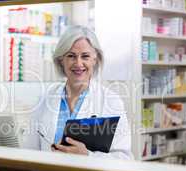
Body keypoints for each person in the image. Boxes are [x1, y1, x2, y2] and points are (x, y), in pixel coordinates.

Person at [23, 25, 133, 159]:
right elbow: (28, 151)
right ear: (61, 60)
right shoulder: (44, 99)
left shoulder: (111, 101)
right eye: (71, 56)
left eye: (85, 56)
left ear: (95, 59)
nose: (78, 63)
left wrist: (88, 156)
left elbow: (124, 157)